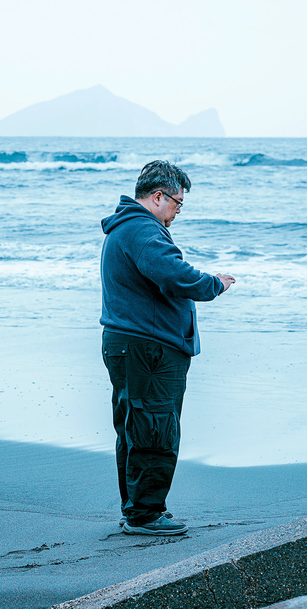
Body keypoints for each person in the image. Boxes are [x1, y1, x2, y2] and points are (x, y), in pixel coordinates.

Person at [99, 160, 234, 536]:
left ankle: (137, 510)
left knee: (134, 426)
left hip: (129, 344)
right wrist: (214, 284)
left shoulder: (126, 227)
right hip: (148, 348)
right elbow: (175, 275)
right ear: (157, 197)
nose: (177, 212)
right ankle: (145, 514)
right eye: (177, 203)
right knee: (154, 427)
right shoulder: (143, 230)